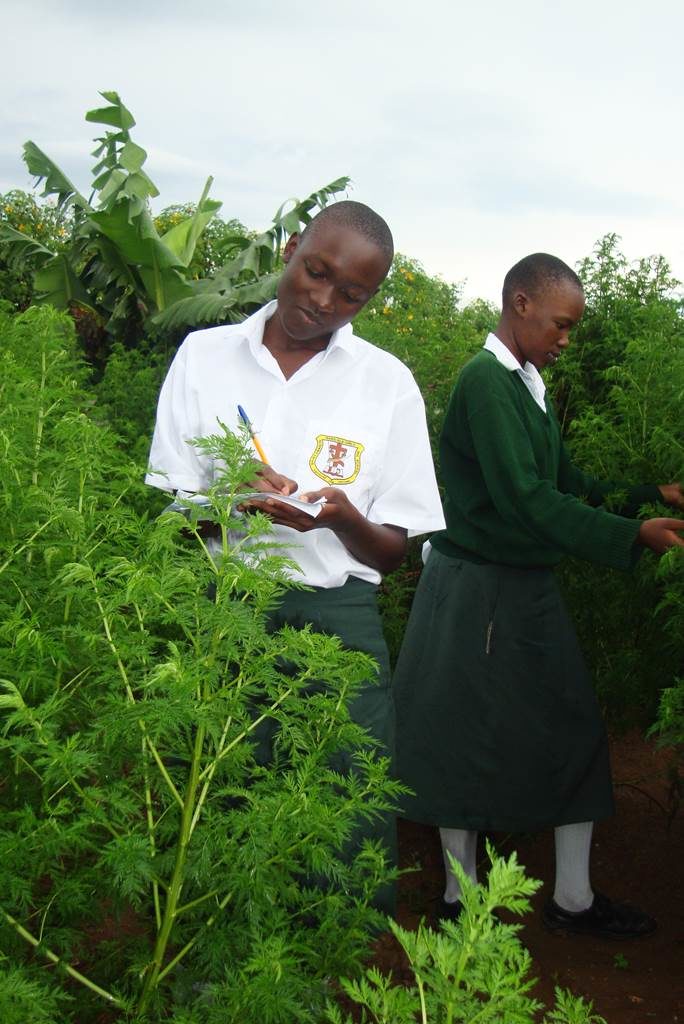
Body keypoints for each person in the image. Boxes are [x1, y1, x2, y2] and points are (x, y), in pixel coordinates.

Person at [145, 200, 445, 911]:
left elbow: (394, 551)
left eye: (352, 294)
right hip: (221, 616)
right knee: (217, 794)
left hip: (336, 624)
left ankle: (325, 967)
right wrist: (228, 505)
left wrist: (338, 520)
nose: (323, 299)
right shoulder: (204, 357)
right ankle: (209, 968)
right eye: (316, 272)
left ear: (371, 300)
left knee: (343, 800)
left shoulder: (386, 383)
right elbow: (166, 525)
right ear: (290, 249)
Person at [392, 253, 684, 937]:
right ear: (520, 303)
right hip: (476, 591)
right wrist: (629, 534)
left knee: (571, 727)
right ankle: (460, 903)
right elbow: (525, 500)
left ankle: (573, 899)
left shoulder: (523, 384)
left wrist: (647, 499)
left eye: (573, 330)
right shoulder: (484, 384)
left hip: (523, 587)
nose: (565, 341)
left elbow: (563, 482)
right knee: (460, 737)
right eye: (560, 325)